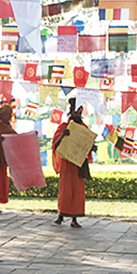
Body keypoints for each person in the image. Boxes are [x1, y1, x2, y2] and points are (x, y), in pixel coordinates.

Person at [52, 98, 95, 229]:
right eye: (75, 112)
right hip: (66, 163)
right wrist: (63, 135)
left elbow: (87, 146)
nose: (78, 114)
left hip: (78, 164)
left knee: (77, 192)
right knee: (65, 191)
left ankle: (74, 219)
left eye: (79, 112)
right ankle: (60, 216)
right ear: (70, 112)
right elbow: (55, 145)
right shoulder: (63, 127)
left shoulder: (84, 128)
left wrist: (92, 148)